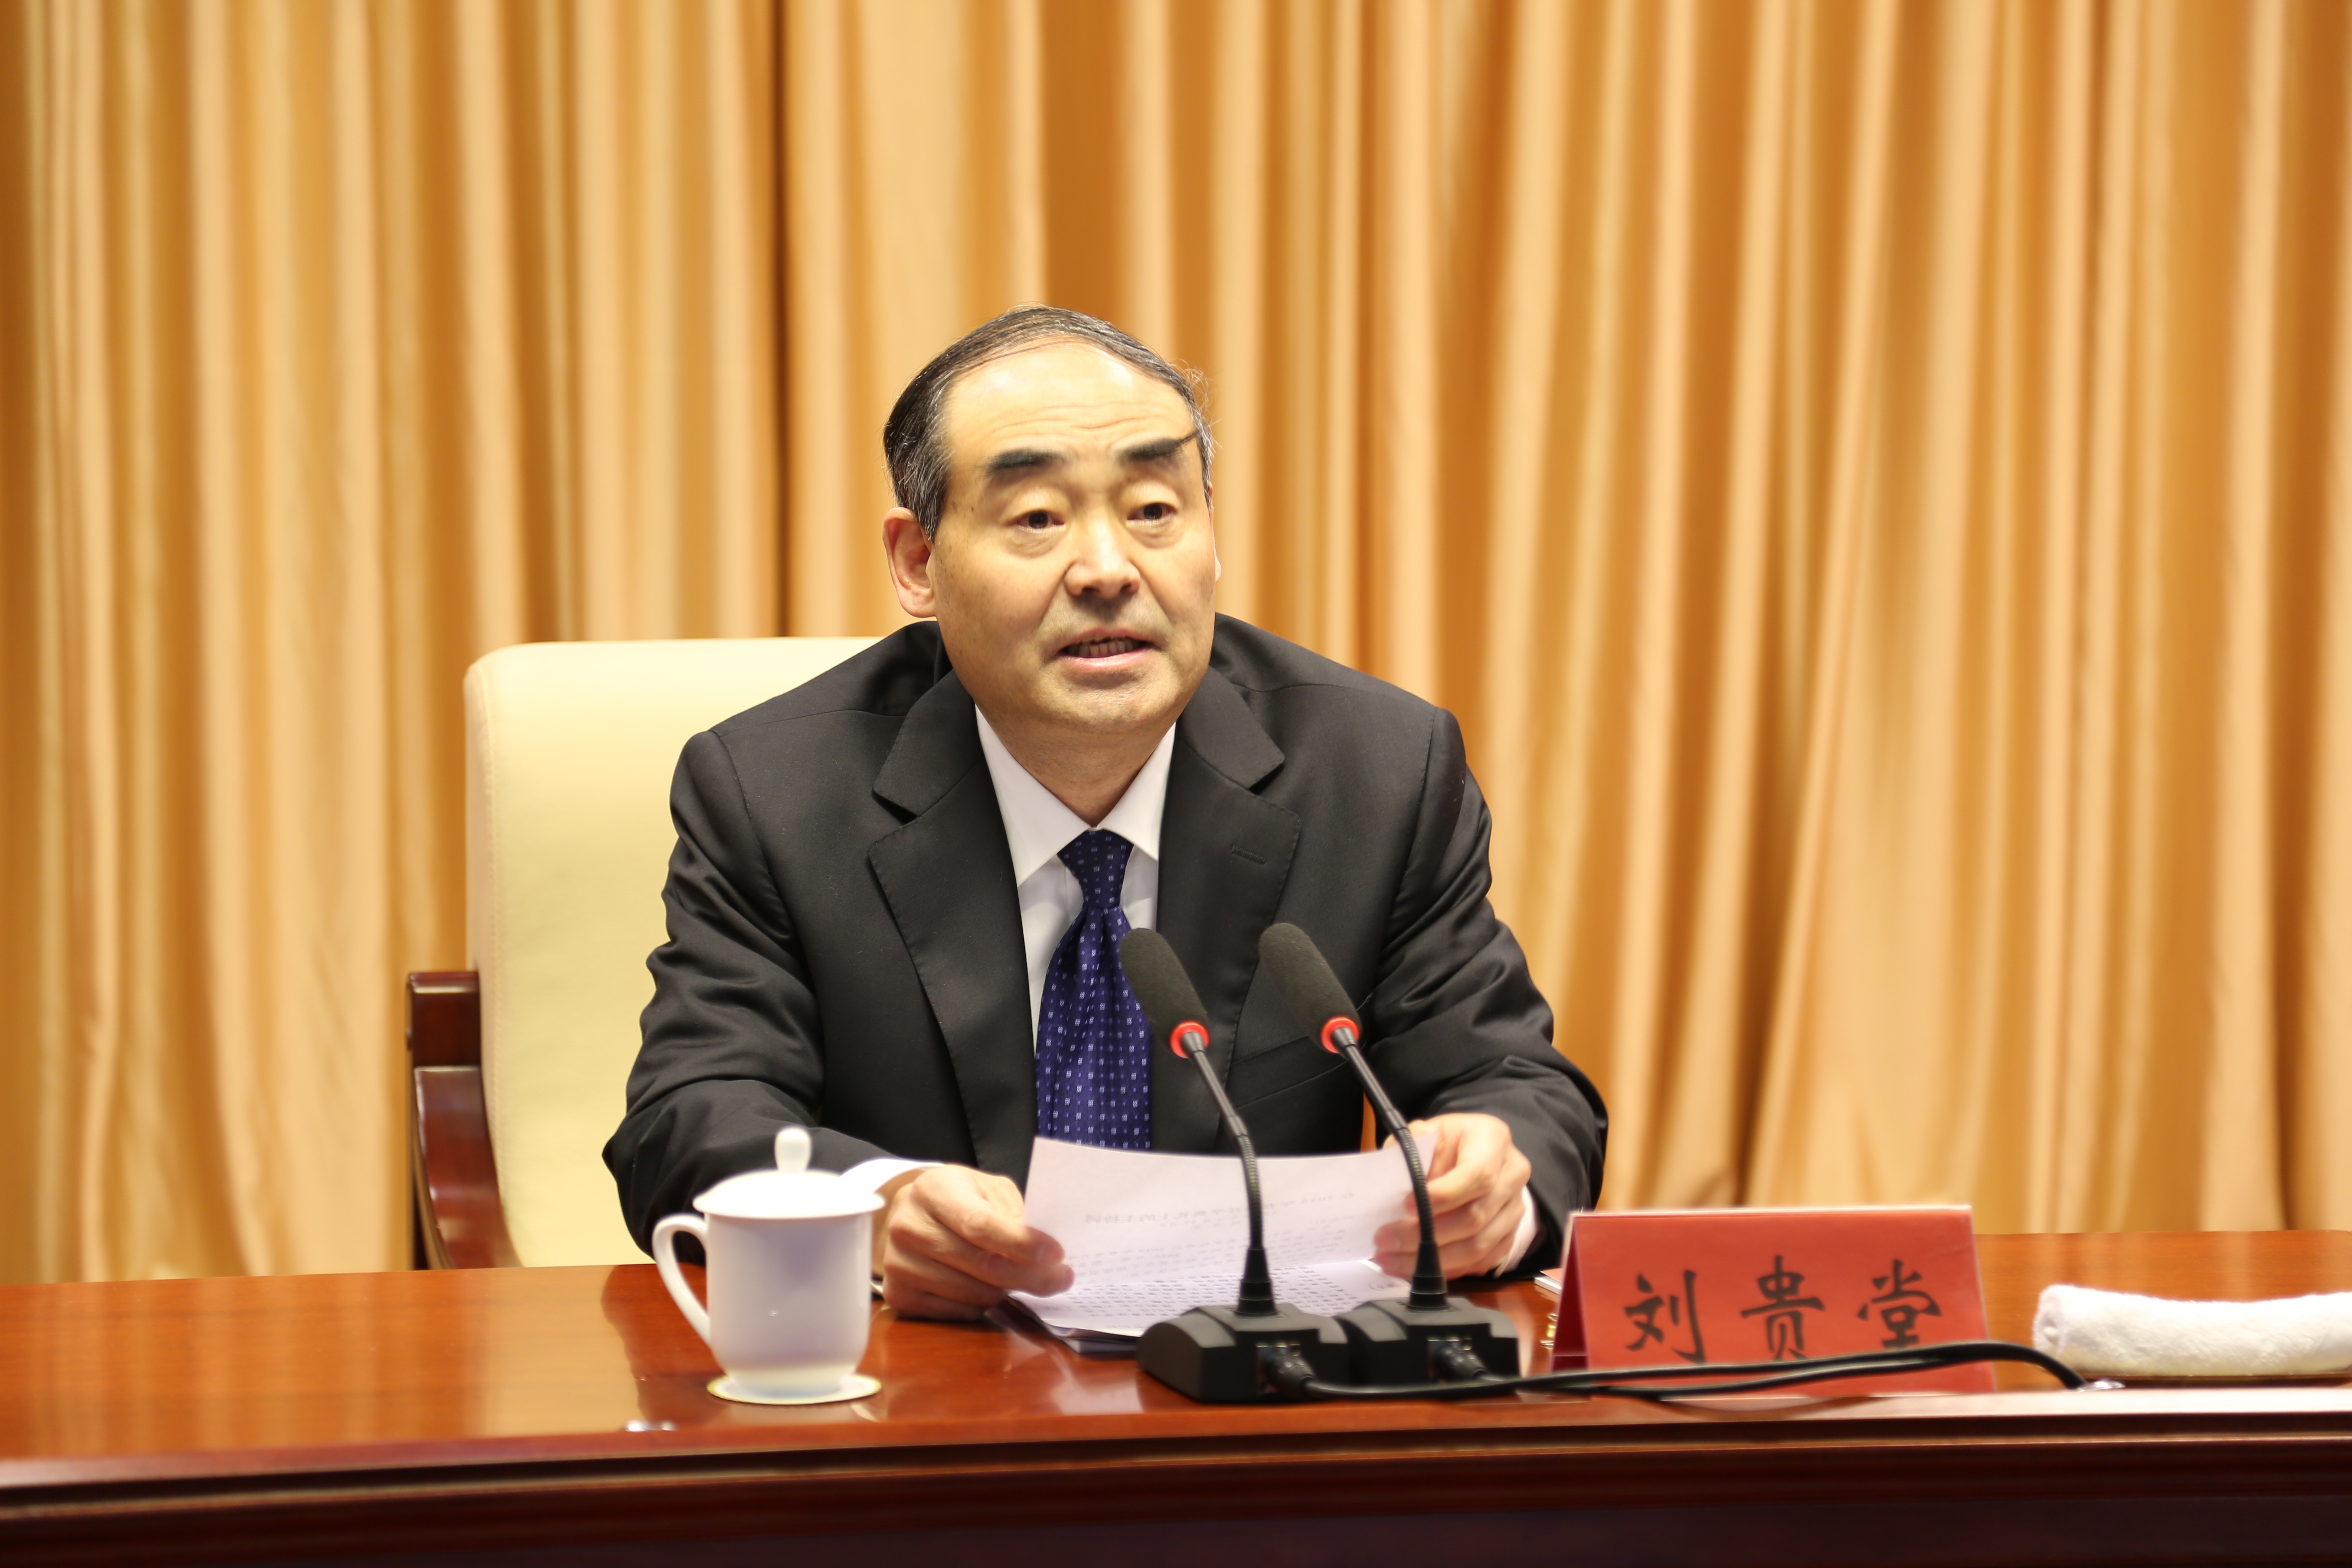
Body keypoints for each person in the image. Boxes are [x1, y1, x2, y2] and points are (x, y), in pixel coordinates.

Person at [605, 306, 1606, 1321]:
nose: (1108, 569)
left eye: (1155, 509)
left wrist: (1497, 1183)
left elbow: (1522, 1087)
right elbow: (688, 1118)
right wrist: (873, 1210)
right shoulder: (775, 794)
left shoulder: (1375, 774)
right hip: (928, 1375)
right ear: (917, 562)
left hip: (1256, 1376)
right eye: (1038, 518)